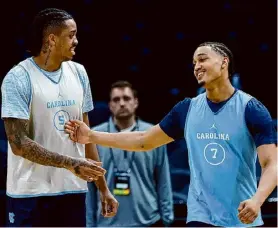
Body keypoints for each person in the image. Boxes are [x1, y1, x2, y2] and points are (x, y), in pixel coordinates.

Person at [65, 42, 277, 227]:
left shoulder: (252, 109)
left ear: (224, 62)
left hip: (243, 215)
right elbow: (143, 140)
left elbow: (272, 164)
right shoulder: (186, 109)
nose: (197, 67)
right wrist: (91, 136)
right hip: (200, 217)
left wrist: (257, 200)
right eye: (194, 63)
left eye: (202, 59)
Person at [1, 8, 118, 227]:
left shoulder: (79, 73)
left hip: (72, 191)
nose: (76, 41)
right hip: (29, 194)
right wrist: (70, 163)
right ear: (52, 40)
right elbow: (18, 144)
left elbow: (87, 136)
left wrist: (103, 189)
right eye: (71, 35)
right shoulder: (18, 78)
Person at [86, 80, 174, 227]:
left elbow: (163, 180)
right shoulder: (94, 137)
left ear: (136, 102)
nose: (121, 103)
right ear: (110, 105)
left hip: (147, 221)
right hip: (107, 223)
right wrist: (89, 224)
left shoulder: (153, 134)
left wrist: (167, 219)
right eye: (116, 99)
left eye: (126, 98)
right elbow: (89, 188)